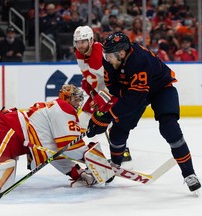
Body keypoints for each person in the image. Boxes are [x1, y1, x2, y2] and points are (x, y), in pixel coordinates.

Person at [86, 31, 201, 193]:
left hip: (161, 89)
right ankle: (115, 165)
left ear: (121, 53)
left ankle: (189, 174)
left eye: (110, 55)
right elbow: (112, 86)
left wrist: (108, 115)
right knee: (119, 128)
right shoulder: (109, 62)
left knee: (170, 127)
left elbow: (135, 100)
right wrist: (102, 115)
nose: (106, 59)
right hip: (133, 92)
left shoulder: (140, 60)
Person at [73, 25, 132, 162]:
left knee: (111, 121)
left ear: (91, 40)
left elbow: (113, 80)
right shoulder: (79, 54)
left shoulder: (101, 53)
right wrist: (87, 81)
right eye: (77, 42)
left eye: (83, 41)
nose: (80, 45)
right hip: (100, 91)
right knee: (83, 119)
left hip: (114, 90)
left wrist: (101, 98)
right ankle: (74, 149)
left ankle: (123, 152)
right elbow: (90, 73)